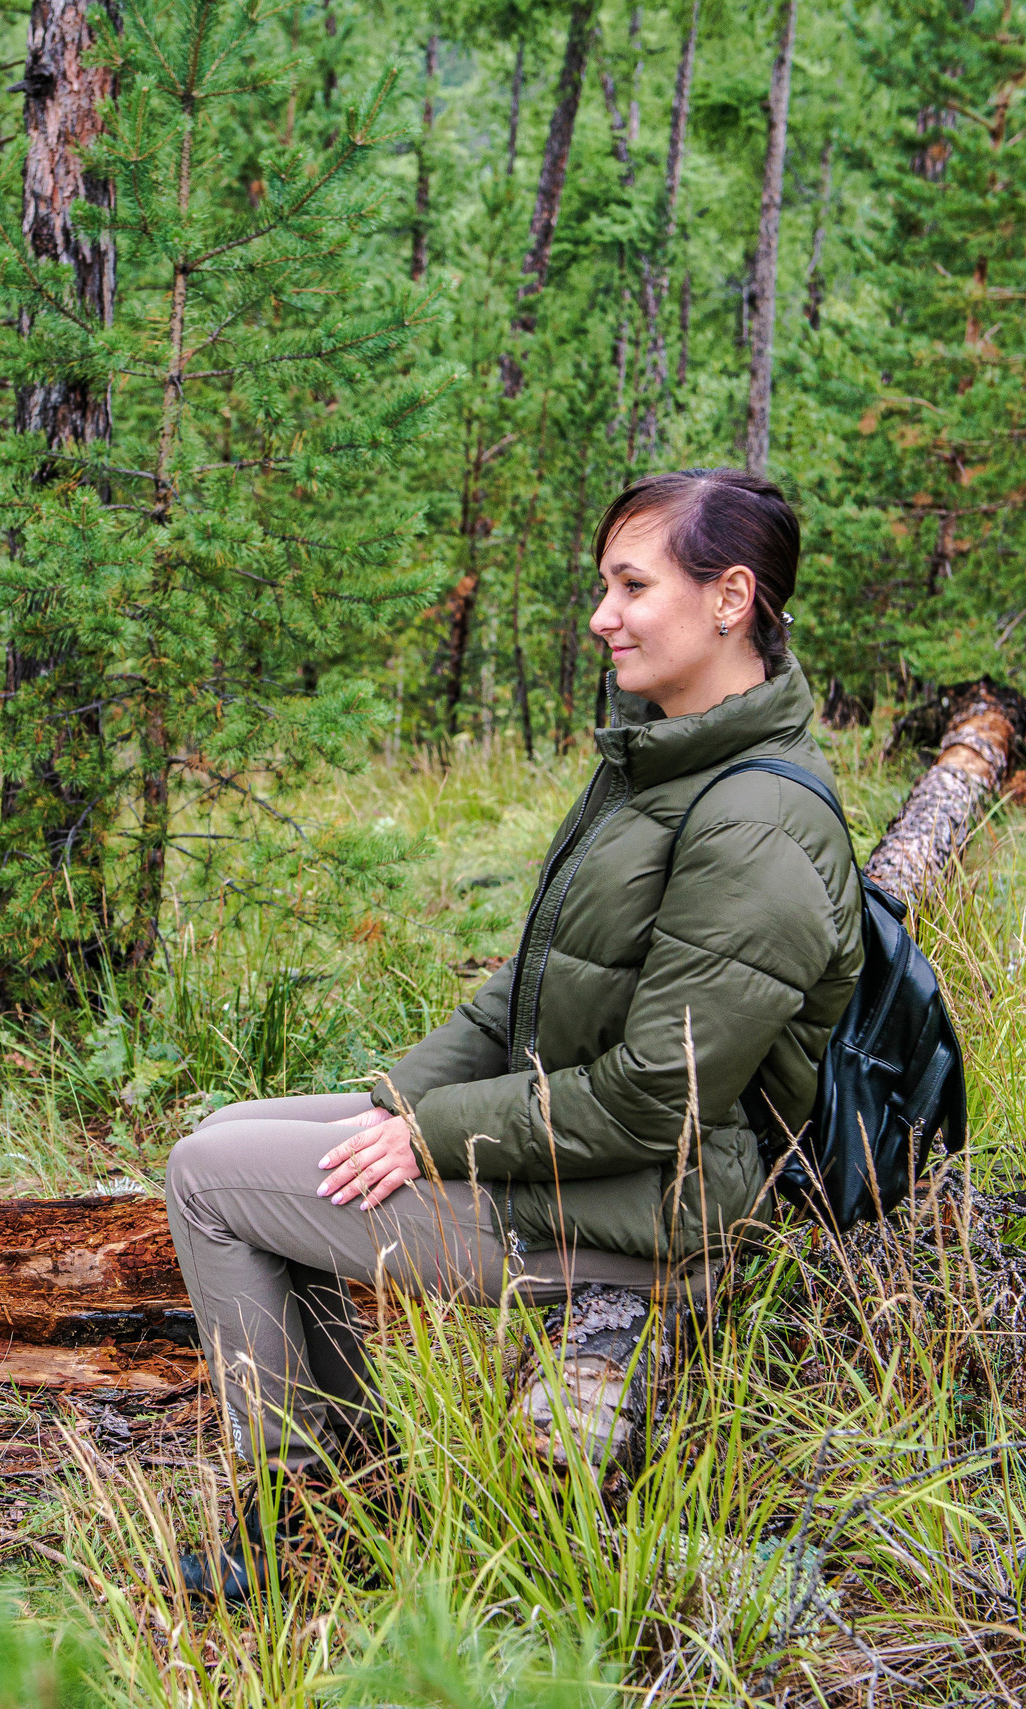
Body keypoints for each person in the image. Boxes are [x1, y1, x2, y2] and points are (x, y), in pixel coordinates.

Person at [161, 468, 866, 1598]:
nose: (602, 615)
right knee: (238, 1132)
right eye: (604, 584)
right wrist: (398, 1099)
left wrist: (432, 1136)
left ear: (730, 598)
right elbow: (519, 995)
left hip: (651, 1203)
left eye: (632, 585)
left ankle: (295, 1513)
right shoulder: (656, 763)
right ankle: (350, 1479)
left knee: (207, 1175)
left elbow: (656, 1095)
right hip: (575, 1153)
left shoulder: (756, 820)